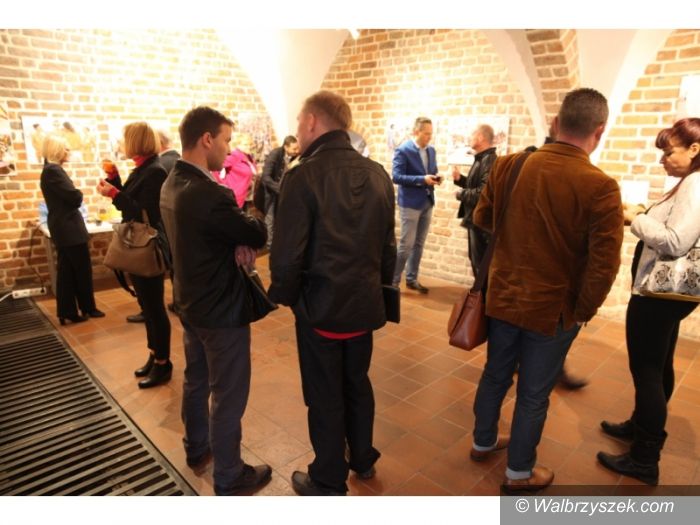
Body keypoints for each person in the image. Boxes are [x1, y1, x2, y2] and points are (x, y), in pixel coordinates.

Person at [470, 88, 624, 492]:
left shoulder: (509, 165)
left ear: (556, 123)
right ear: (600, 131)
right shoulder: (601, 186)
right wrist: (583, 310)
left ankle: (482, 441)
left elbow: (482, 218)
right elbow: (604, 265)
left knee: (495, 375)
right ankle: (519, 473)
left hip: (504, 296)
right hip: (553, 309)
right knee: (534, 393)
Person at [269, 90, 396, 496]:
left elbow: (286, 256)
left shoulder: (302, 175)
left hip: (321, 308)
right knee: (357, 382)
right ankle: (362, 457)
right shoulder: (378, 174)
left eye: (298, 123)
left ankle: (327, 478)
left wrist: (285, 295)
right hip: (364, 306)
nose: (297, 131)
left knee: (325, 394)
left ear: (311, 122)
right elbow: (388, 248)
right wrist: (379, 290)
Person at [159, 106, 271, 496]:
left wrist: (233, 241)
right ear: (207, 139)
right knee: (228, 394)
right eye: (226, 140)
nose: (229, 149)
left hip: (190, 301)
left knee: (196, 381)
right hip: (221, 310)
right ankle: (229, 475)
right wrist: (245, 231)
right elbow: (257, 233)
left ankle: (196, 447)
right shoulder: (209, 192)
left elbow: (205, 237)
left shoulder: (171, 182)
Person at [597, 118, 700, 486]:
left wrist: (637, 218)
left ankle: (644, 458)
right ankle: (640, 426)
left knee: (647, 372)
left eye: (668, 152)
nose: (662, 160)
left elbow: (676, 240)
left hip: (658, 297)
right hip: (667, 297)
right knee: (658, 365)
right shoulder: (689, 182)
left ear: (695, 149)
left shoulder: (695, 184)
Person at [97, 122, 172, 389]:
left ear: (135, 141)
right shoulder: (143, 168)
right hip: (138, 245)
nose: (121, 143)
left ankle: (163, 363)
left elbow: (143, 212)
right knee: (147, 307)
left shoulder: (154, 170)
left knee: (154, 309)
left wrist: (114, 193)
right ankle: (154, 354)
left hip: (146, 246)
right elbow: (130, 202)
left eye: (124, 139)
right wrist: (115, 180)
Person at [39, 134, 104, 325]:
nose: (68, 151)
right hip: (68, 228)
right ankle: (87, 308)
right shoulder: (54, 170)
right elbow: (75, 197)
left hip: (63, 227)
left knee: (67, 270)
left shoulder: (49, 170)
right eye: (66, 148)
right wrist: (80, 193)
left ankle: (68, 311)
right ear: (57, 150)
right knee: (81, 269)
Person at [391, 117, 440, 293]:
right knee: (406, 245)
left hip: (427, 201)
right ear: (416, 132)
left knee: (419, 244)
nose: (429, 137)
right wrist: (422, 179)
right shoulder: (403, 150)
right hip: (410, 204)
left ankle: (412, 279)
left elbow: (431, 171)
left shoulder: (431, 151)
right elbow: (396, 177)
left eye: (430, 134)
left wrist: (435, 178)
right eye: (426, 134)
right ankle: (393, 282)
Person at [451, 124, 498, 276]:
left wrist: (461, 194)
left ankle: (480, 292)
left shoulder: (488, 160)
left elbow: (483, 194)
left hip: (480, 222)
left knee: (480, 264)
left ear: (480, 137)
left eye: (472, 134)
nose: (469, 138)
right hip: (475, 219)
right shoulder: (482, 158)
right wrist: (460, 179)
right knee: (476, 261)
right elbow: (476, 186)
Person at [260, 135, 299, 248]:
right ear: (286, 147)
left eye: (297, 148)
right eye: (294, 149)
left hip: (285, 192)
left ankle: (281, 243)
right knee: (270, 219)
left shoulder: (294, 157)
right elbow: (265, 177)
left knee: (282, 217)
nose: (297, 151)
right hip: (271, 192)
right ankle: (270, 246)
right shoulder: (275, 154)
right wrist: (280, 189)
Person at [219, 132, 257, 210]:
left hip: (246, 196)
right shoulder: (235, 155)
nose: (249, 147)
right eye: (246, 144)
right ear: (238, 145)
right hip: (236, 197)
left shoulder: (248, 156)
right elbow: (217, 168)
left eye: (250, 144)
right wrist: (225, 185)